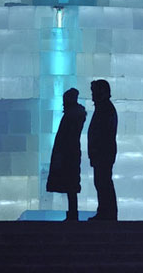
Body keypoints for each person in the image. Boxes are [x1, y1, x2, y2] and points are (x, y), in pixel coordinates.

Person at [46, 87, 86, 221]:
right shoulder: (75, 116)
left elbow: (65, 137)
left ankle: (72, 214)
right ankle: (72, 213)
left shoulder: (70, 116)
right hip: (71, 153)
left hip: (67, 154)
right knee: (71, 184)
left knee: (70, 184)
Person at [86, 79, 118, 221]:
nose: (92, 96)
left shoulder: (105, 109)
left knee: (103, 182)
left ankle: (106, 213)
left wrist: (96, 150)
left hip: (103, 153)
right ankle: (106, 212)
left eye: (94, 92)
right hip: (102, 152)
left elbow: (102, 133)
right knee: (102, 182)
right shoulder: (104, 108)